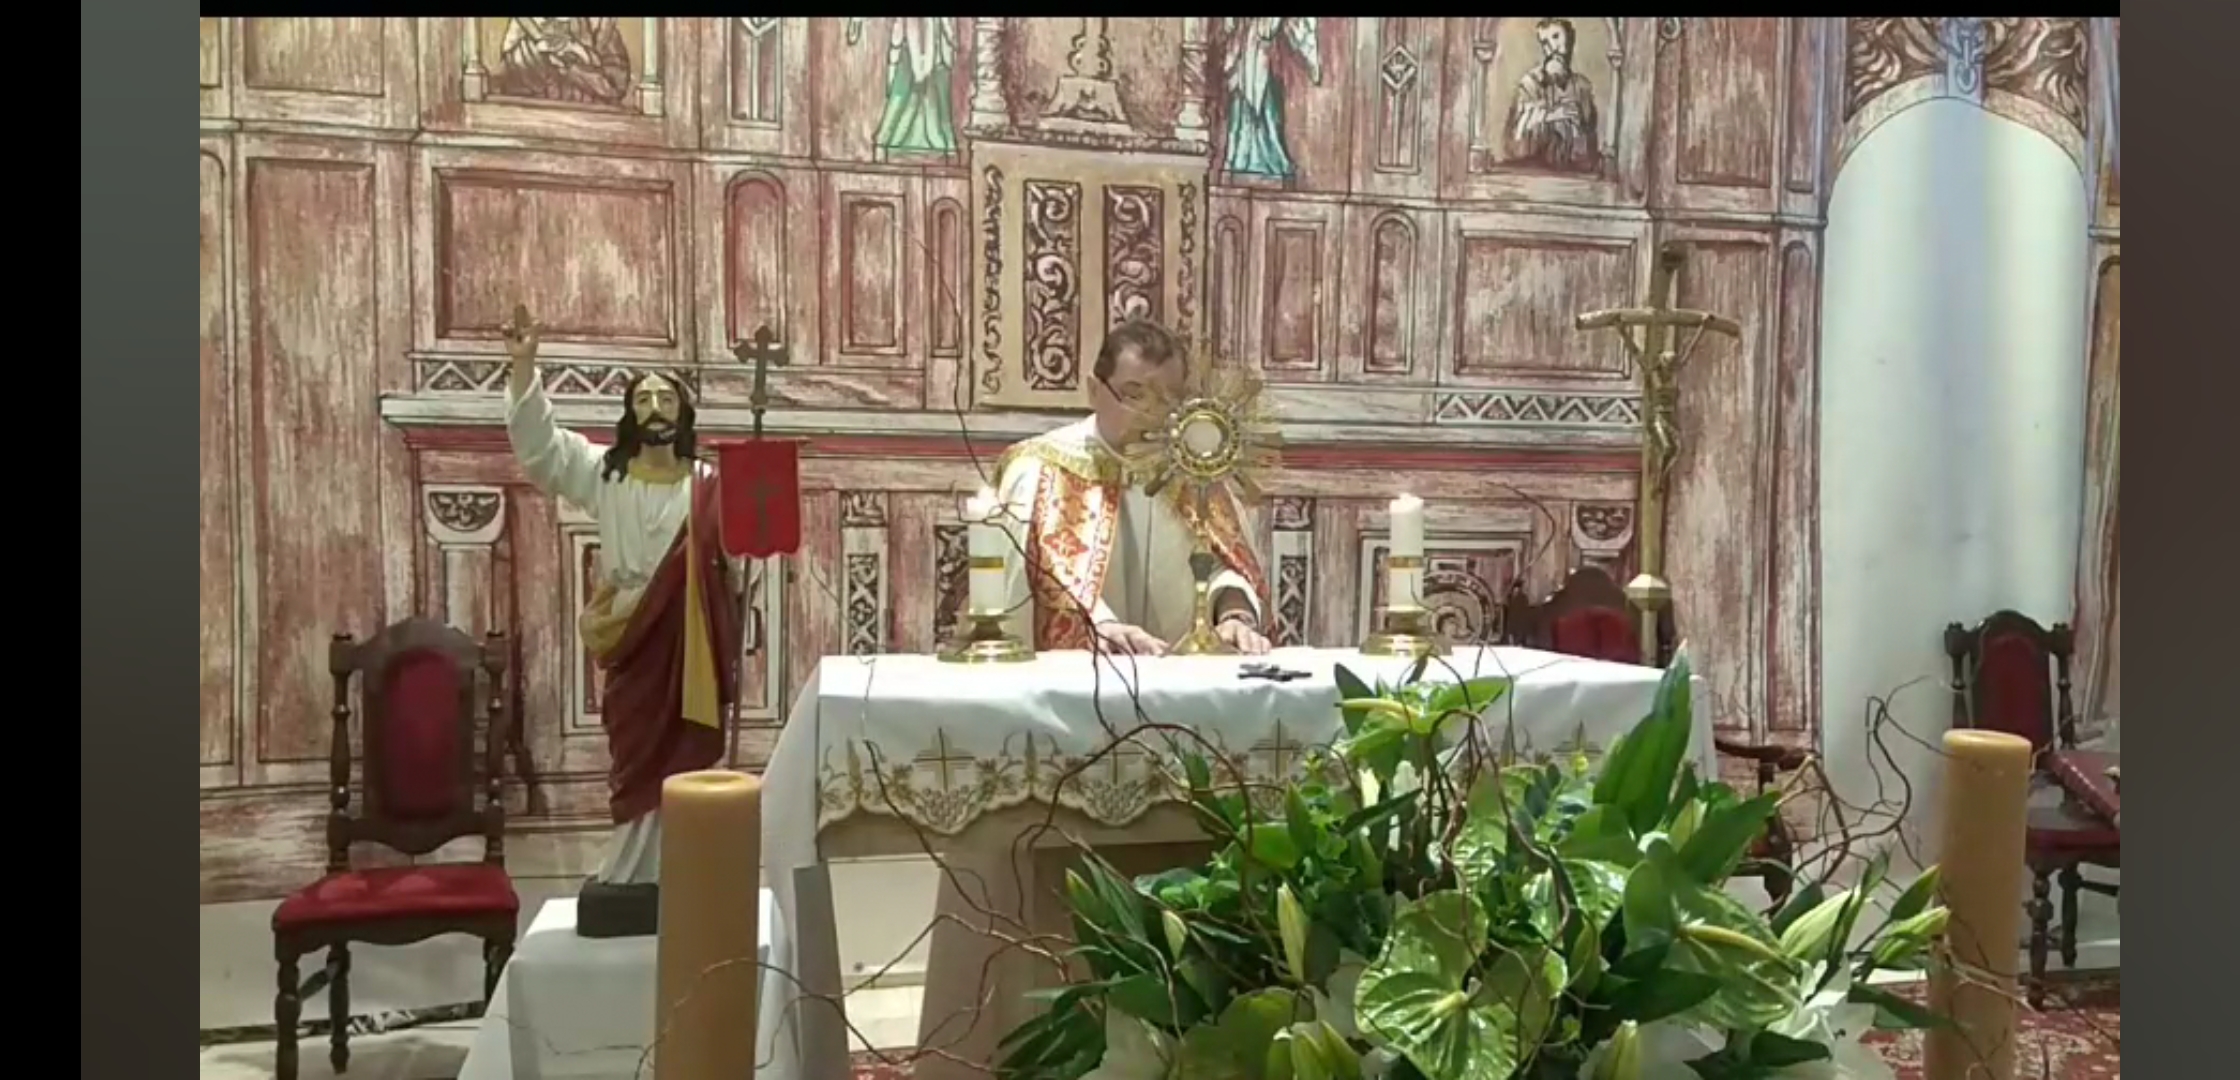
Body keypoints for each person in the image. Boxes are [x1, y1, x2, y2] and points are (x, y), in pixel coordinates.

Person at [502, 309, 741, 886]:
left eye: (667, 398)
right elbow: (542, 450)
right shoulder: (606, 474)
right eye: (643, 399)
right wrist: (525, 367)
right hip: (632, 631)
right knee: (635, 755)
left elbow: (740, 552)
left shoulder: (708, 483)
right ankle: (630, 870)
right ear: (630, 414)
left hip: (687, 639)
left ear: (683, 413)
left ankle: (678, 868)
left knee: (684, 754)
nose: (655, 407)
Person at [991, 320, 1272, 656]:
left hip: (1179, 677)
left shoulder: (1193, 466)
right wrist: (1101, 627)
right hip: (1085, 675)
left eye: (1168, 399)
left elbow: (1221, 564)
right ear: (1094, 390)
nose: (1150, 414)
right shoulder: (1042, 471)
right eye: (1134, 395)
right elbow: (1046, 575)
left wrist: (1235, 615)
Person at [1504, 17, 1602, 173]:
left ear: (1570, 38)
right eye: (1544, 42)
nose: (1551, 47)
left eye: (1556, 37)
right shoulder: (1530, 83)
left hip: (1574, 174)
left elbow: (1589, 140)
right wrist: (1550, 115)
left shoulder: (1582, 87)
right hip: (1533, 172)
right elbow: (1515, 139)